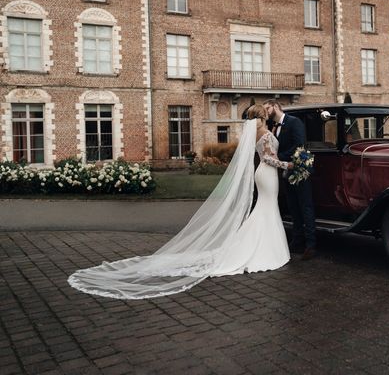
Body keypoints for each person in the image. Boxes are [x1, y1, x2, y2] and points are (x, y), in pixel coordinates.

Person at [67, 105, 290, 299]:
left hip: (261, 174)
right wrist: (288, 165)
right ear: (262, 117)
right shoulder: (266, 135)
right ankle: (264, 249)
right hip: (269, 173)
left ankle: (252, 244)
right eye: (264, 116)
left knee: (264, 209)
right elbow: (270, 158)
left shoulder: (251, 134)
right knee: (267, 209)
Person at [263, 99, 316, 260]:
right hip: (286, 170)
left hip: (299, 169)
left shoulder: (294, 122)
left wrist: (279, 157)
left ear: (275, 106)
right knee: (293, 206)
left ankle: (311, 245)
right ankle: (297, 240)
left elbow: (299, 145)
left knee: (305, 206)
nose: (266, 112)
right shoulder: (273, 127)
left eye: (267, 108)